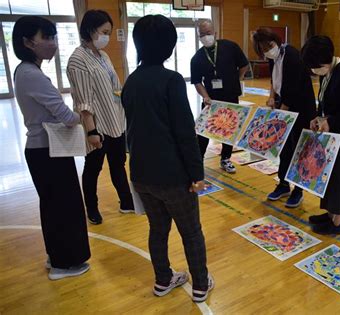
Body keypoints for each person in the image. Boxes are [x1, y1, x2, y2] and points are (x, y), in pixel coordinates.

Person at [122, 14, 213, 303]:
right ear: (169, 46)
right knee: (191, 232)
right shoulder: (171, 80)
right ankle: (200, 284)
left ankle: (163, 280)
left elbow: (133, 130)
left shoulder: (131, 81)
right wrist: (197, 175)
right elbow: (185, 133)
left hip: (141, 174)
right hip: (173, 176)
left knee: (157, 229)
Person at [13, 16, 91, 280]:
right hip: (47, 151)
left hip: (45, 150)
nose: (53, 44)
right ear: (27, 42)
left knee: (55, 207)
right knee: (64, 208)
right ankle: (64, 264)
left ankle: (57, 256)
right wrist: (84, 112)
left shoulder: (26, 71)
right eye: (46, 38)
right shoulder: (30, 74)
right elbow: (66, 117)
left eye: (54, 37)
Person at [67, 10, 134, 225]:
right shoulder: (78, 59)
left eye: (109, 33)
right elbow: (83, 101)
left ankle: (126, 201)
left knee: (118, 163)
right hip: (97, 125)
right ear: (90, 30)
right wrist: (91, 131)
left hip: (114, 121)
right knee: (93, 168)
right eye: (104, 32)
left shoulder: (102, 55)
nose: (107, 37)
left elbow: (114, 86)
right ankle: (92, 207)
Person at [301, 35, 340, 235]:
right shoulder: (327, 73)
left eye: (315, 66)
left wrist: (331, 121)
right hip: (333, 135)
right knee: (330, 177)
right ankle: (330, 214)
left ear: (325, 61)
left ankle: (338, 223)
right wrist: (318, 117)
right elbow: (327, 102)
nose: (313, 71)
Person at [251, 28, 317, 208]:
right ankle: (283, 184)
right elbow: (274, 81)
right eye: (264, 50)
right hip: (285, 106)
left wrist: (281, 114)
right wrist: (272, 96)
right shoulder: (273, 58)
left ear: (276, 40)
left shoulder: (292, 56)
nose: (268, 51)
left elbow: (292, 90)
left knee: (299, 148)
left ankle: (298, 190)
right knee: (285, 148)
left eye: (270, 46)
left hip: (301, 109)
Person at [191, 19, 249, 174]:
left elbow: (244, 64)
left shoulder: (230, 47)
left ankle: (226, 159)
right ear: (198, 36)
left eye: (208, 33)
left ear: (215, 33)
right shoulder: (197, 58)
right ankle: (198, 161)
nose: (206, 37)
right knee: (204, 131)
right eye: (202, 34)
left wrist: (238, 78)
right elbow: (197, 82)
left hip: (230, 96)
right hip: (211, 100)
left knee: (229, 130)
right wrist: (205, 97)